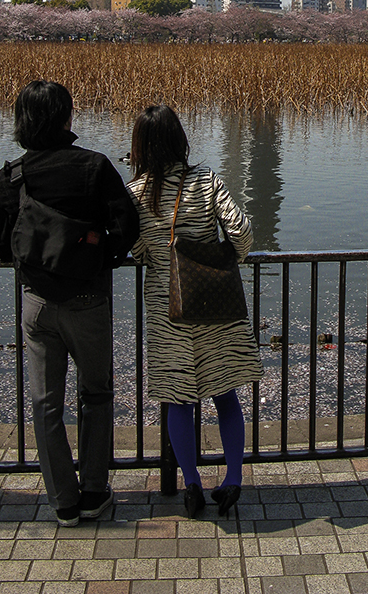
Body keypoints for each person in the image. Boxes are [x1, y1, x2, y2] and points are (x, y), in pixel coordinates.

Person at [0, 80, 139, 527]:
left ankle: (63, 501)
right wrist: (97, 258)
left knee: (45, 403)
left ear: (22, 120)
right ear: (67, 117)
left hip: (36, 302)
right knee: (96, 393)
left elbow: (2, 248)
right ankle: (94, 491)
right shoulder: (94, 166)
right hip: (89, 300)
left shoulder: (11, 177)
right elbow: (126, 228)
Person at [127, 104, 263, 518]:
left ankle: (191, 484)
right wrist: (227, 261)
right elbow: (241, 230)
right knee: (225, 392)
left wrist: (157, 256)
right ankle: (233, 478)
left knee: (178, 398)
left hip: (167, 308)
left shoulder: (136, 193)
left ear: (140, 146)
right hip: (212, 302)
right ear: (179, 139)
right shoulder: (205, 180)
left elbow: (138, 251)